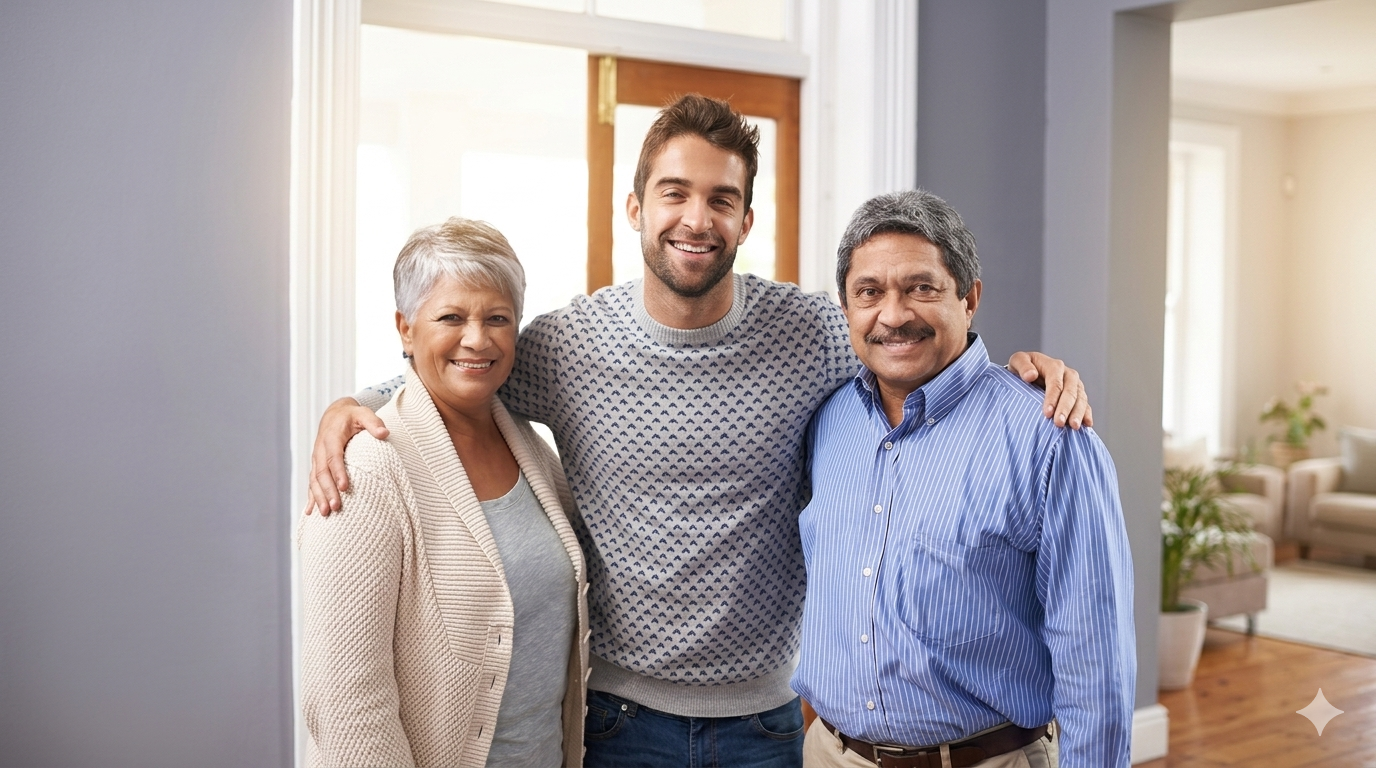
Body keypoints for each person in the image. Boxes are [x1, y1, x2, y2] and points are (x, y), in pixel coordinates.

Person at [307, 95, 1092, 768]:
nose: (696, 218)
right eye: (675, 192)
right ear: (635, 208)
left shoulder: (814, 332)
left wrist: (1019, 375)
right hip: (615, 719)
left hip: (766, 720)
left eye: (721, 199)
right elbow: (464, 363)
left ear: (746, 219)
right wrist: (358, 402)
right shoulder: (568, 345)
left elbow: (911, 341)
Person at [794, 190, 1135, 768]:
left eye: (922, 288)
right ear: (846, 306)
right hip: (830, 756)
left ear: (970, 298)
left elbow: (1096, 662)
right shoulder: (828, 422)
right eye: (869, 292)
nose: (894, 314)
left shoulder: (1049, 437)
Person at [298, 218, 589, 768]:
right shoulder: (367, 469)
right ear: (405, 328)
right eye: (451, 317)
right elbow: (344, 702)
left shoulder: (532, 452)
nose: (477, 339)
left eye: (498, 319)